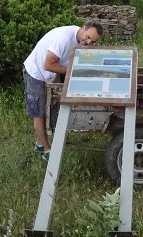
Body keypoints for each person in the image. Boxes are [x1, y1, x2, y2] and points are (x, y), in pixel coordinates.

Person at [23, 20, 103, 161]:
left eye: (93, 41)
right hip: (36, 73)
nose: (89, 42)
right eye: (88, 37)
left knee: (49, 108)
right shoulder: (64, 39)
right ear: (83, 28)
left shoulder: (82, 40)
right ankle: (47, 150)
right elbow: (47, 64)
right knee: (39, 113)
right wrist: (72, 71)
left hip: (50, 75)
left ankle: (40, 142)